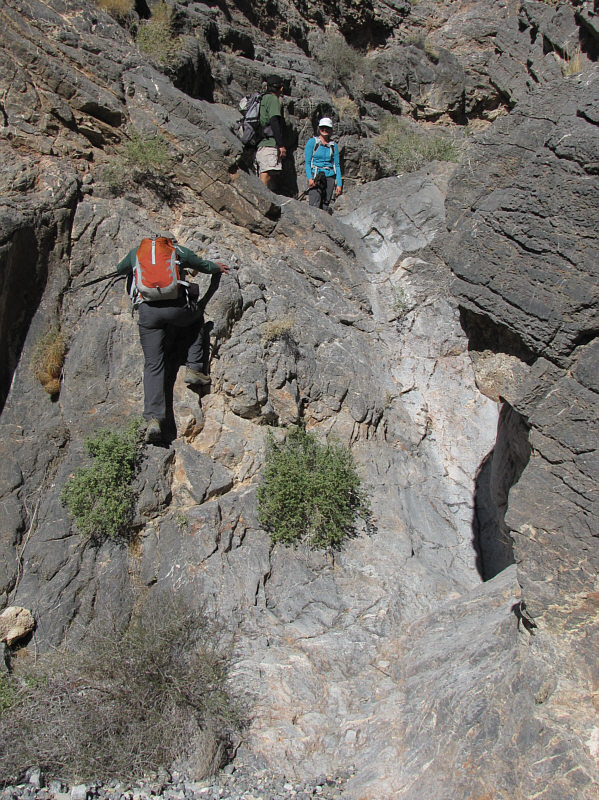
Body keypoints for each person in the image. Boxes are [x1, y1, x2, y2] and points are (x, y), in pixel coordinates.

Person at [116, 234, 230, 444]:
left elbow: (119, 269)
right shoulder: (177, 251)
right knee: (197, 319)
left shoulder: (136, 253)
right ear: (169, 242)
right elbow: (203, 265)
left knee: (153, 365)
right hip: (176, 310)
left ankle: (154, 418)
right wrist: (217, 267)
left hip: (148, 313)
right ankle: (195, 368)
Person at [304, 117, 342, 212]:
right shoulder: (312, 142)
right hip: (316, 175)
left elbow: (337, 165)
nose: (324, 130)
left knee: (325, 204)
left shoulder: (333, 145)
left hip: (329, 176)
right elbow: (307, 163)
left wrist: (339, 184)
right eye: (322, 127)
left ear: (331, 130)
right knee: (314, 203)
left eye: (327, 128)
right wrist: (310, 178)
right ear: (319, 128)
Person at [256, 75, 287, 191]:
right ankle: (262, 200)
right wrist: (281, 145)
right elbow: (274, 122)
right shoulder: (273, 100)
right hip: (269, 143)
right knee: (266, 173)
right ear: (281, 88)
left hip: (260, 142)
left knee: (264, 172)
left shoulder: (262, 98)